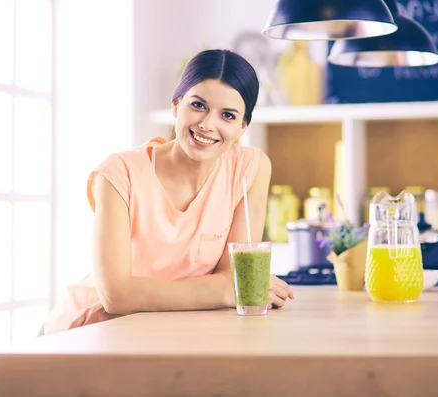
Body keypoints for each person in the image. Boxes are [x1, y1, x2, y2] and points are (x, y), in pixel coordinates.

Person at [43, 49, 294, 335]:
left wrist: (229, 286)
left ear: (242, 127)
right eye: (198, 105)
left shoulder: (250, 168)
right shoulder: (117, 173)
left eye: (227, 115)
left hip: (167, 330)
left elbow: (233, 277)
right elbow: (116, 297)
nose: (208, 124)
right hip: (86, 330)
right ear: (176, 106)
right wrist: (225, 291)